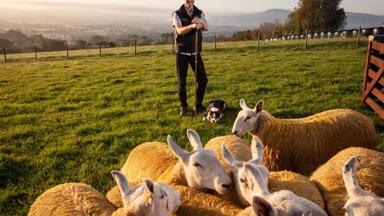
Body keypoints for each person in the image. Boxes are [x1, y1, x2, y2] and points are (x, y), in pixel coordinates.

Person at [172, 0, 208, 116]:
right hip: (181, 52)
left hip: (196, 52)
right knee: (182, 82)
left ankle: (198, 105)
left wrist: (200, 22)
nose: (190, 0)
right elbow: (179, 30)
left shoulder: (200, 12)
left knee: (203, 80)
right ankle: (184, 106)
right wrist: (192, 26)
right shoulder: (177, 13)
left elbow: (206, 27)